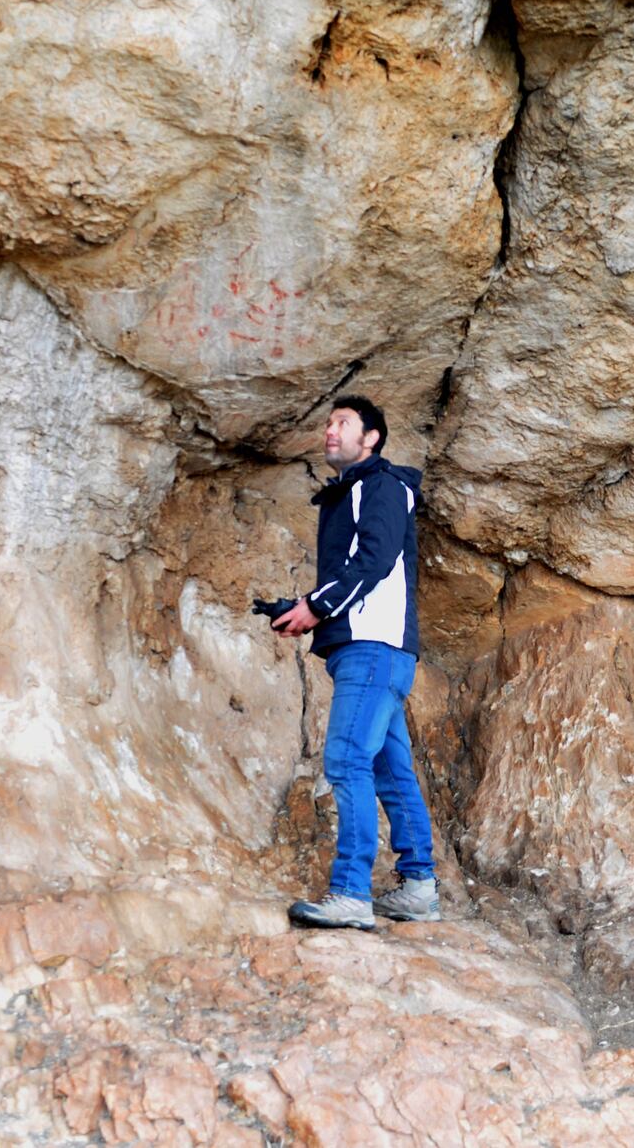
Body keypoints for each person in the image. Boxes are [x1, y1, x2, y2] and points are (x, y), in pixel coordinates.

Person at [270, 395, 440, 930]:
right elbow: (357, 571)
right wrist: (303, 606)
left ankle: (350, 894)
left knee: (346, 761)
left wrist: (316, 607)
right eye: (327, 422)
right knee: (391, 770)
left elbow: (374, 560)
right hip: (374, 649)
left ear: (371, 439)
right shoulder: (349, 493)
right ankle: (418, 887)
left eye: (342, 423)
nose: (330, 431)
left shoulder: (380, 486)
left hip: (372, 647)